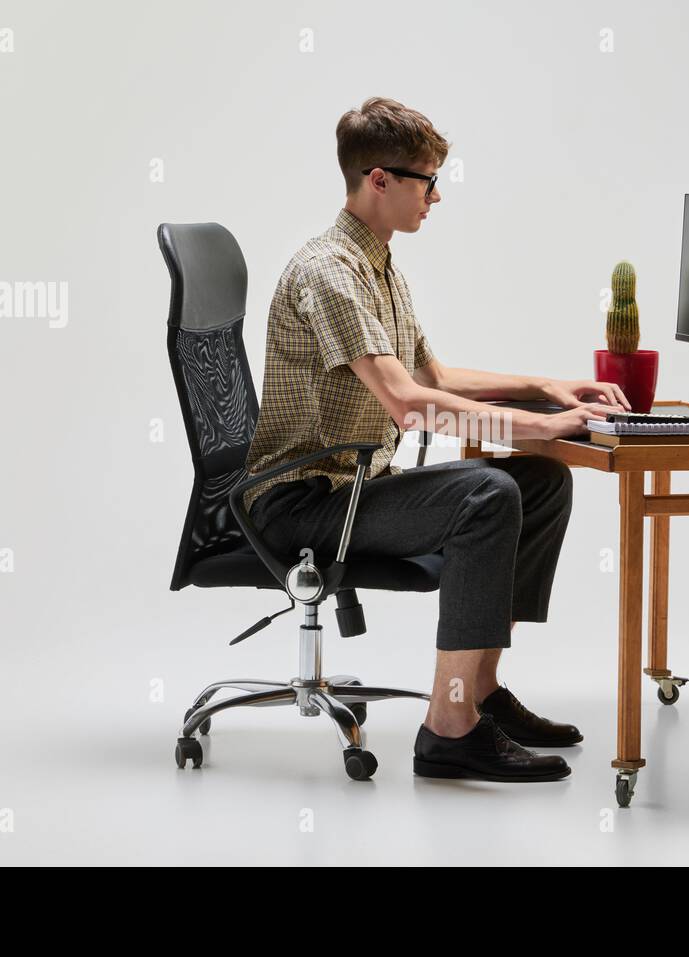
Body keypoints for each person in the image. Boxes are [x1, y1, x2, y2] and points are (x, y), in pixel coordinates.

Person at [242, 97, 629, 783]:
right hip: (302, 501)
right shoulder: (330, 271)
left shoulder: (379, 267)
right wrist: (542, 428)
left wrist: (547, 388)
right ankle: (448, 731)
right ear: (379, 181)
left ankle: (478, 692)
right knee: (485, 492)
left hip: (351, 488)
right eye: (426, 180)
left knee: (539, 481)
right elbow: (409, 404)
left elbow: (435, 376)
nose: (437, 195)